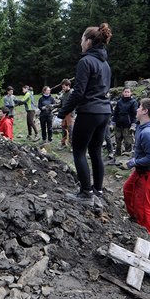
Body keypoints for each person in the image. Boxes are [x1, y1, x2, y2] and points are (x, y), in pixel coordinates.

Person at [57, 23, 113, 213]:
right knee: (96, 151)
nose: (80, 43)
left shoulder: (85, 62)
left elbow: (79, 92)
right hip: (105, 112)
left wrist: (64, 110)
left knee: (79, 151)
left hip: (89, 111)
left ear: (88, 41)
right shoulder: (105, 64)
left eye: (82, 40)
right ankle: (98, 191)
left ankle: (85, 194)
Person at [122, 98, 150, 235]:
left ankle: (148, 234)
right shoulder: (145, 126)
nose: (136, 109)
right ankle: (135, 219)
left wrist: (132, 162)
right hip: (144, 170)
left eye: (139, 107)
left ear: (145, 111)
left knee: (145, 205)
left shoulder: (148, 133)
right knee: (128, 190)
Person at [112, 87, 138, 156]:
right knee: (118, 141)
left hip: (128, 125)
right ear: (123, 93)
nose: (126, 93)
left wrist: (133, 124)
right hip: (118, 124)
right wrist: (113, 122)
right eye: (125, 92)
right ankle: (117, 155)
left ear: (131, 93)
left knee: (128, 142)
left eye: (128, 92)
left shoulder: (133, 102)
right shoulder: (119, 102)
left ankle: (127, 157)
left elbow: (134, 114)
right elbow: (115, 113)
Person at [56, 79, 74, 149]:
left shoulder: (72, 93)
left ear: (68, 86)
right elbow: (61, 104)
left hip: (70, 113)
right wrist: (53, 106)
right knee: (63, 129)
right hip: (63, 113)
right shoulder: (64, 94)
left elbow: (74, 104)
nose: (62, 88)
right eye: (62, 87)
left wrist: (72, 113)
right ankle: (63, 144)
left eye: (64, 87)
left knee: (71, 130)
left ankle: (72, 145)